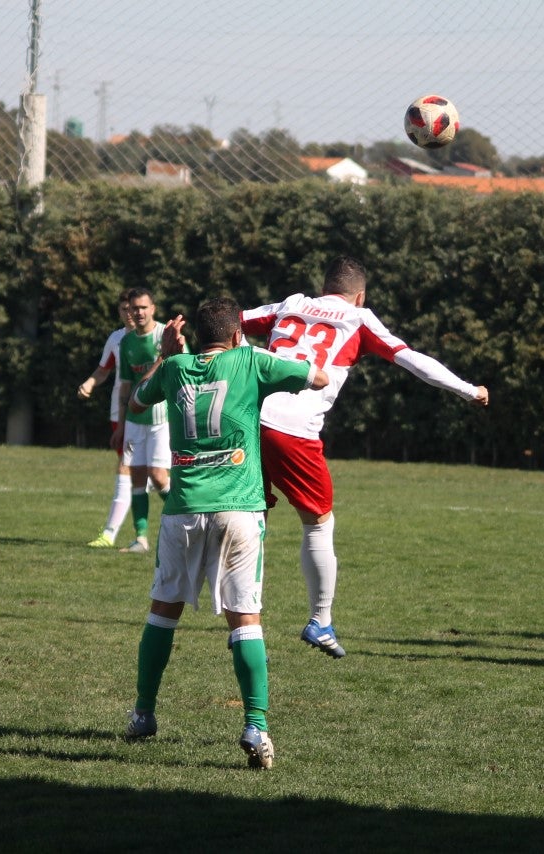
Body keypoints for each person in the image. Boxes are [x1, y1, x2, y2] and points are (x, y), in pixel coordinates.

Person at [240, 256, 488, 657]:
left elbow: (229, 322)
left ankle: (243, 615)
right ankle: (320, 621)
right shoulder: (359, 317)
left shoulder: (290, 303)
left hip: (247, 419)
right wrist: (468, 389)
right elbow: (411, 359)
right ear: (360, 295)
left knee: (250, 517)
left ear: (323, 286)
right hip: (292, 431)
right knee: (318, 523)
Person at [123, 297, 329, 769]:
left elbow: (137, 400)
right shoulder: (251, 359)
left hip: (184, 510)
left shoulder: (174, 367)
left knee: (162, 612)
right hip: (239, 510)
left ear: (193, 336)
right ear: (238, 333)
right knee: (245, 618)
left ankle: (143, 713)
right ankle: (256, 726)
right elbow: (317, 378)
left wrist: (165, 354)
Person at [109, 287, 176, 554]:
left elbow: (182, 369)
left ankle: (186, 518)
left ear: (153, 309)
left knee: (159, 477)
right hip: (135, 420)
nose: (137, 312)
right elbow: (125, 387)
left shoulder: (165, 336)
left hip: (162, 418)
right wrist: (121, 425)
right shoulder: (126, 343)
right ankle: (141, 538)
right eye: (133, 308)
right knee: (136, 475)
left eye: (143, 307)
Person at [77, 291, 137, 548]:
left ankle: (111, 534)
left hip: (149, 412)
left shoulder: (156, 337)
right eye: (124, 308)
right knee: (130, 469)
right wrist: (89, 383)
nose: (129, 313)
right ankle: (116, 534)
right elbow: (104, 370)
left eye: (133, 308)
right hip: (119, 411)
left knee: (136, 470)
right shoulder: (116, 339)